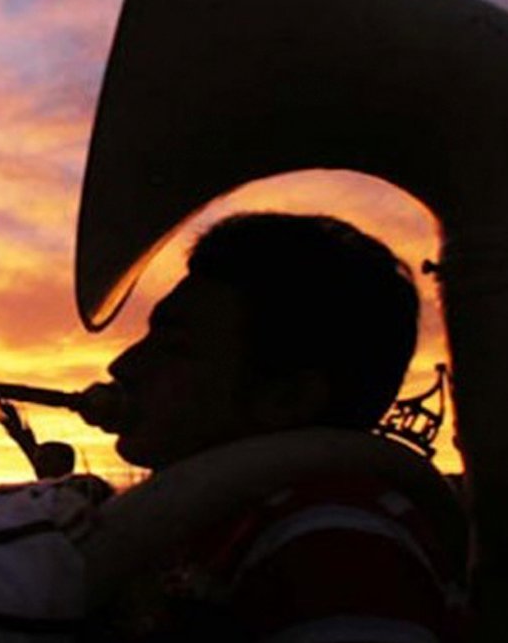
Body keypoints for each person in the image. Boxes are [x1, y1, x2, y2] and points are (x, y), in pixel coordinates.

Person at [100, 212, 465, 640]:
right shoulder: (220, 522)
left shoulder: (334, 538)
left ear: (287, 399)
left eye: (176, 347)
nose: (122, 365)